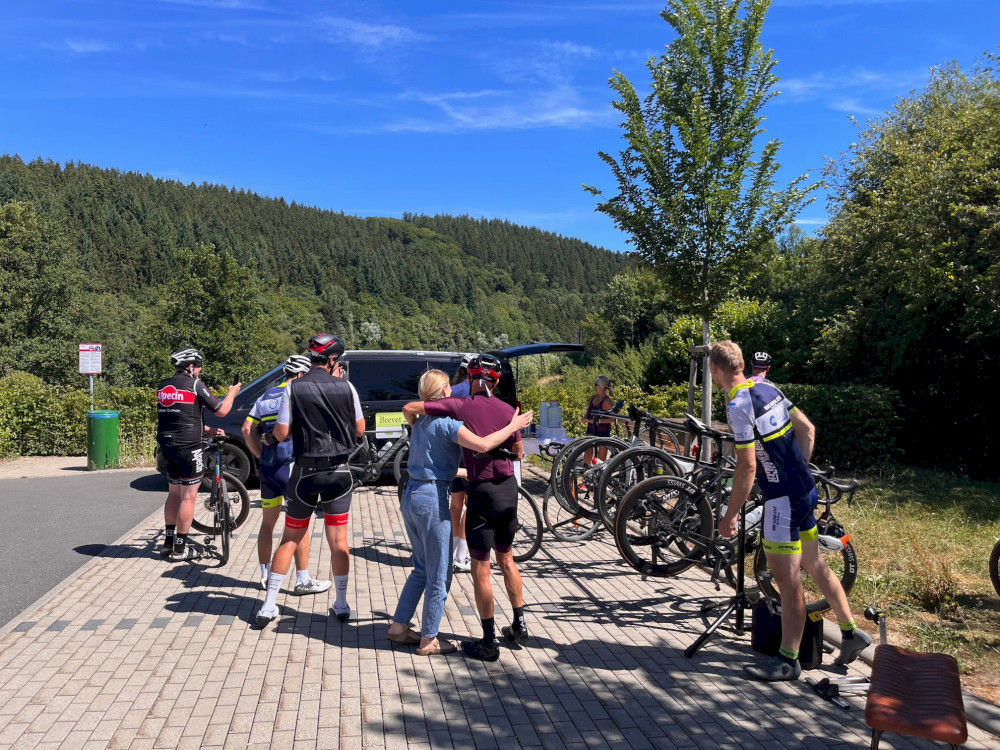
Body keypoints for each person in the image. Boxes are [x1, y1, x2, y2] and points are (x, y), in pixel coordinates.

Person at [710, 340, 872, 681]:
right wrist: (796, 467)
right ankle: (850, 632)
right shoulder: (766, 387)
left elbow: (747, 467)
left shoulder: (738, 405)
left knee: (788, 579)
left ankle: (789, 660)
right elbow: (807, 428)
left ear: (715, 370)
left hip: (781, 501)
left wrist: (729, 515)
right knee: (813, 562)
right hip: (805, 488)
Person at [388, 370, 532, 655]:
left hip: (412, 494)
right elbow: (484, 444)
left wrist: (470, 472)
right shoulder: (448, 424)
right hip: (433, 499)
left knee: (420, 568)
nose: (454, 391)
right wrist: (514, 424)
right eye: (449, 387)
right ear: (442, 392)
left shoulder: (419, 423)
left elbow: (437, 462)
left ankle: (398, 627)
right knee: (440, 574)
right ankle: (429, 639)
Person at [255, 334, 366, 628]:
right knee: (339, 541)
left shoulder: (294, 387)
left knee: (290, 538)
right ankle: (341, 604)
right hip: (340, 472)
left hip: (305, 472)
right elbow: (359, 429)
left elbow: (280, 433)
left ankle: (268, 606)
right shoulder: (347, 386)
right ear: (332, 360)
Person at [241, 354, 329, 595]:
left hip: (269, 468)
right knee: (300, 525)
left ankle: (263, 575)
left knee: (267, 524)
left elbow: (246, 428)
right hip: (291, 466)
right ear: (300, 375)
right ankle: (303, 579)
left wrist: (258, 454)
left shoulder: (265, 395)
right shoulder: (297, 394)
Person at [156, 348, 240, 562]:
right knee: (188, 496)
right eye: (199, 367)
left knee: (174, 494)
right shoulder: (194, 384)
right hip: (188, 447)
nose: (200, 371)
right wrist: (232, 393)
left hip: (167, 446)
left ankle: (168, 543)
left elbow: (181, 418)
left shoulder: (163, 386)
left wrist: (208, 430)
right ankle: (181, 548)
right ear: (191, 367)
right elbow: (221, 410)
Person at [449, 353, 474, 572]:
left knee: (455, 505)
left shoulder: (451, 391)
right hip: (473, 454)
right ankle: (461, 555)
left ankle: (452, 551)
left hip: (453, 453)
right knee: (471, 505)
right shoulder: (477, 393)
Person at [581, 375, 614, 464]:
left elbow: (613, 418)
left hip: (603, 431)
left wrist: (598, 421)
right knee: (587, 452)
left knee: (601, 457)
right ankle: (586, 473)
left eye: (596, 384)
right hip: (591, 429)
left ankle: (600, 475)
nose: (595, 387)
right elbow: (588, 413)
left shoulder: (606, 401)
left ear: (602, 386)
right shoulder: (593, 398)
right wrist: (585, 418)